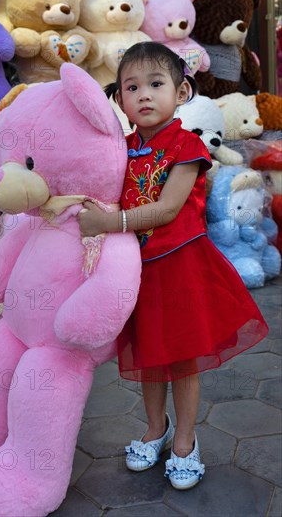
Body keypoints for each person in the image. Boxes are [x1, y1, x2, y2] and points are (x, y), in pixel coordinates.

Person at [78, 42, 268, 490]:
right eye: (132, 87)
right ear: (120, 101)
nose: (144, 95)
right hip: (135, 270)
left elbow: (165, 210)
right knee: (148, 357)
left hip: (179, 267)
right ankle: (154, 428)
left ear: (181, 92)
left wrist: (106, 222)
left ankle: (185, 439)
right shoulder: (119, 148)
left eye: (156, 84)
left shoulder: (187, 145)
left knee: (180, 359)